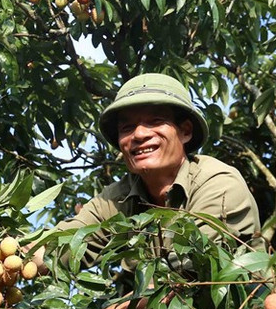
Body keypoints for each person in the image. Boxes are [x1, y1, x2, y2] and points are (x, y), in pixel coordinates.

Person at [51, 73, 262, 287]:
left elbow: (192, 274)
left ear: (185, 131)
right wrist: (22, 252)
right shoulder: (118, 198)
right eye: (127, 128)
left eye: (155, 121)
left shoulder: (218, 182)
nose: (140, 134)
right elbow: (61, 244)